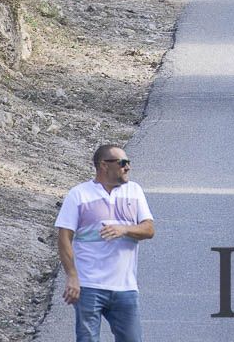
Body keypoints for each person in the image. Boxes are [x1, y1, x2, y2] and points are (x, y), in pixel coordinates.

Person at [55, 146, 155, 342]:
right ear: (103, 165)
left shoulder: (134, 191)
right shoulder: (79, 195)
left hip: (125, 288)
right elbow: (64, 237)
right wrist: (73, 277)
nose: (128, 168)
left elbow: (149, 229)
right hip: (89, 286)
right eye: (123, 163)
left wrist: (124, 229)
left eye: (128, 163)